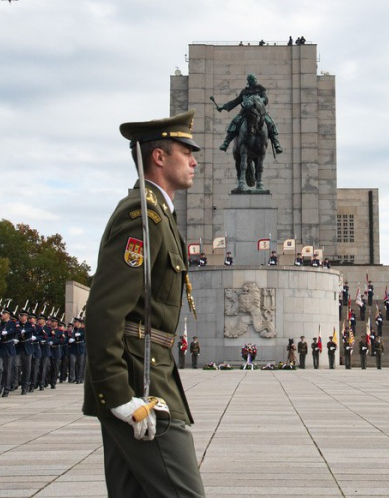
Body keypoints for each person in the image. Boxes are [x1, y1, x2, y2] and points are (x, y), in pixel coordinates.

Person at [82, 110, 205, 497]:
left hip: (146, 371)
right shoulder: (144, 216)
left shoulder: (160, 215)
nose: (194, 160)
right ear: (159, 157)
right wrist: (118, 395)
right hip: (140, 382)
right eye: (186, 151)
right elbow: (104, 311)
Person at [215, 74, 282, 155]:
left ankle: (276, 144)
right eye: (253, 79)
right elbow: (236, 101)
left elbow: (265, 98)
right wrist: (223, 107)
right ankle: (226, 143)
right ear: (249, 81)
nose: (255, 81)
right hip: (245, 112)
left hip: (259, 112)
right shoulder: (244, 91)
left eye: (255, 79)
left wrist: (260, 100)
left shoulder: (260, 88)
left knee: (270, 122)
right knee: (234, 122)